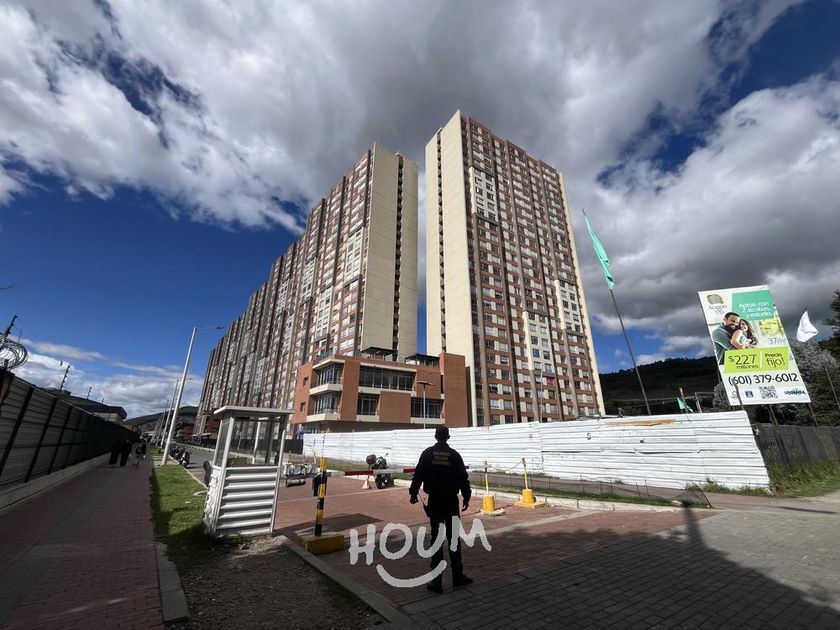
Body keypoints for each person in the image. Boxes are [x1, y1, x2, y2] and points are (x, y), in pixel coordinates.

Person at [409, 426, 473, 594]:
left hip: (435, 501)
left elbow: (418, 475)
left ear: (435, 436)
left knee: (436, 540)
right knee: (454, 539)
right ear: (448, 437)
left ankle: (437, 582)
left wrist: (413, 493)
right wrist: (466, 496)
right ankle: (457, 576)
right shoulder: (454, 455)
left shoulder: (427, 454)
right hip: (451, 502)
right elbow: (463, 478)